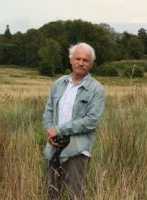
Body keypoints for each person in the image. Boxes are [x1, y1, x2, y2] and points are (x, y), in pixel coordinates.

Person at [43, 42, 105, 200]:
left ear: (91, 64)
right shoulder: (59, 83)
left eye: (85, 60)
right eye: (77, 58)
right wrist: (51, 131)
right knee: (51, 194)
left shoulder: (96, 89)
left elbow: (91, 121)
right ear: (71, 60)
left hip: (77, 151)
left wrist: (60, 130)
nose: (81, 63)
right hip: (53, 148)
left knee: (75, 196)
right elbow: (49, 110)